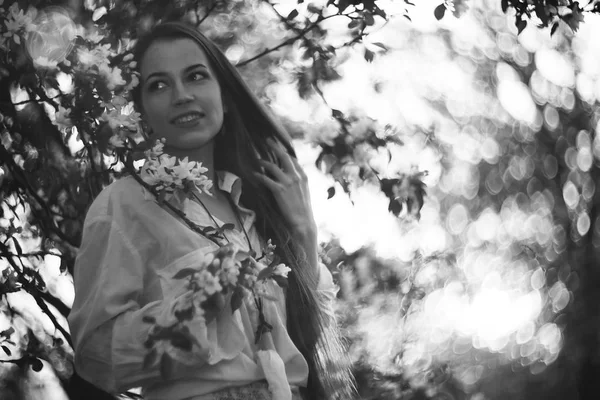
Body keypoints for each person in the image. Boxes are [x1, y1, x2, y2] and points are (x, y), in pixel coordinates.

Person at [67, 21, 354, 400]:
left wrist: (303, 229)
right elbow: (96, 355)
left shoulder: (258, 205)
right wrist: (194, 309)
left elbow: (309, 337)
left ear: (225, 95)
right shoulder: (125, 204)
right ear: (141, 112)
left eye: (196, 76)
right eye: (159, 85)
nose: (182, 95)